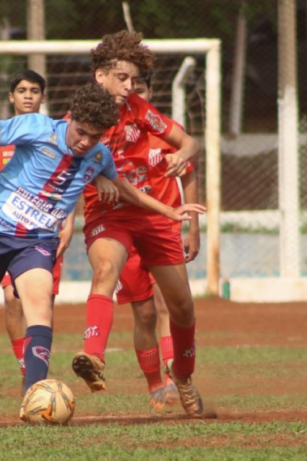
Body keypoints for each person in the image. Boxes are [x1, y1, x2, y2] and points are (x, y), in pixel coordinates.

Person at [0, 83, 205, 414]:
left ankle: (33, 396)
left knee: (40, 308)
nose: (85, 141)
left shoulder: (98, 156)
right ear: (70, 118)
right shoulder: (37, 126)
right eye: (81, 132)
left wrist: (168, 211)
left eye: (95, 136)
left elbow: (126, 189)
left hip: (37, 242)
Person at [71, 30, 206, 418]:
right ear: (100, 76)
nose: (130, 87)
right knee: (106, 271)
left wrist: (183, 153)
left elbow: (190, 142)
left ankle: (183, 376)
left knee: (181, 308)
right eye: (122, 78)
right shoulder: (82, 114)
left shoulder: (138, 109)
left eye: (134, 80)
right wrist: (95, 178)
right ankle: (93, 355)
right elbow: (65, 155)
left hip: (154, 216)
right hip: (109, 216)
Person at [114, 71, 201, 410]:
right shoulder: (115, 134)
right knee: (145, 312)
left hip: (165, 228)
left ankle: (178, 377)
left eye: (140, 88)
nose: (133, 92)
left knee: (172, 305)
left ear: (149, 92)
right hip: (126, 230)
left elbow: (190, 174)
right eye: (129, 88)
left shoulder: (165, 131)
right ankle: (155, 384)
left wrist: (192, 228)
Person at [0, 70, 76, 380]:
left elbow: (73, 181)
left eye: (34, 90)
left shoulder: (59, 134)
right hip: (7, 232)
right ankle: (27, 370)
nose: (27, 95)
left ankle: (37, 366)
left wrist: (70, 222)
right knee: (11, 298)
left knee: (41, 304)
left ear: (43, 97)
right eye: (21, 90)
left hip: (46, 232)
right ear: (11, 97)